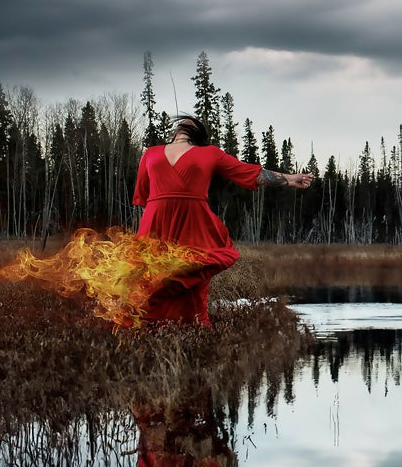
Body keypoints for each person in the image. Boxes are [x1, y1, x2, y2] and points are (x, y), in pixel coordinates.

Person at [132, 115, 311, 325]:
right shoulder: (151, 153)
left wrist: (289, 178)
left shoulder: (210, 153)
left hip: (192, 222)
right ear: (174, 131)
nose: (185, 124)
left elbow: (248, 172)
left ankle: (193, 335)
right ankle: (148, 332)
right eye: (182, 123)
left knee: (193, 278)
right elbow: (144, 194)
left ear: (197, 134)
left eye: (192, 123)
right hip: (156, 222)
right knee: (149, 280)